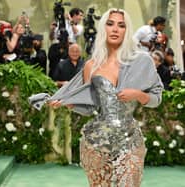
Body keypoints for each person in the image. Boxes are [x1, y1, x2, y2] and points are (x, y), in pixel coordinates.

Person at [48, 8, 163, 186]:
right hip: (96, 142)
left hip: (129, 139)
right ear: (103, 29)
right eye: (110, 24)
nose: (115, 29)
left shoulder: (141, 61)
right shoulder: (91, 65)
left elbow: (156, 98)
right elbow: (91, 107)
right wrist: (70, 104)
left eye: (121, 25)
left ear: (127, 30)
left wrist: (138, 95)